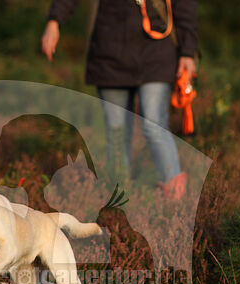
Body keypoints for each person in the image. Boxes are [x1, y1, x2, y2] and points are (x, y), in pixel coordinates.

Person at [42, 0, 198, 199]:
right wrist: (54, 22)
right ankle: (121, 201)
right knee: (117, 133)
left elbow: (185, 6)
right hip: (110, 54)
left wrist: (188, 51)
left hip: (157, 53)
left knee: (154, 125)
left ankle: (176, 198)